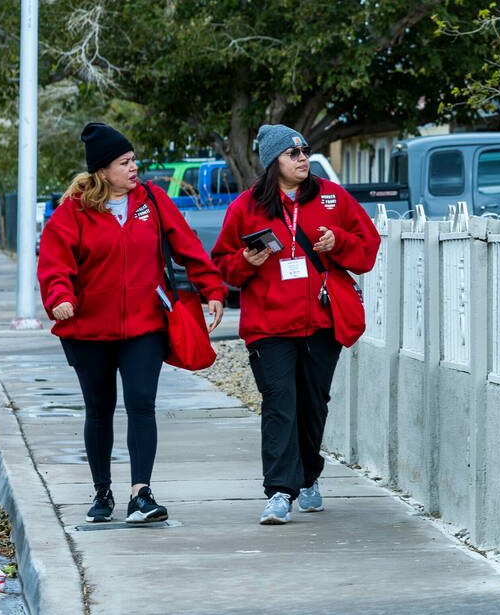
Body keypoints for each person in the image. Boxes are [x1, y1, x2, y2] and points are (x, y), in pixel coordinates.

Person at [37, 122, 226, 524]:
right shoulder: (74, 211)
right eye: (125, 162)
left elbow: (187, 246)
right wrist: (59, 298)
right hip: (89, 330)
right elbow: (54, 264)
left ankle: (141, 494)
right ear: (103, 170)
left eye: (134, 159)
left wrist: (212, 288)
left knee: (142, 404)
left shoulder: (153, 202)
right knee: (99, 409)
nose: (134, 167)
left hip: (145, 325)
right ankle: (101, 492)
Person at [212, 124, 379, 525]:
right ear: (273, 163)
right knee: (279, 404)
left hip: (321, 322)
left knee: (312, 405)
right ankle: (279, 493)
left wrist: (337, 240)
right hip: (269, 328)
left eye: (304, 152)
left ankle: (308, 478)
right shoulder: (246, 206)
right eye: (293, 154)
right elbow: (222, 265)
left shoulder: (332, 198)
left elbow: (368, 250)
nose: (303, 159)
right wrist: (243, 264)